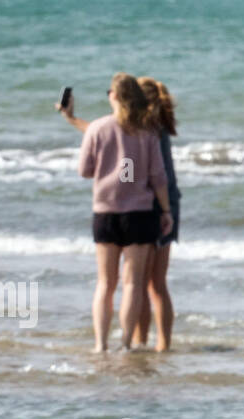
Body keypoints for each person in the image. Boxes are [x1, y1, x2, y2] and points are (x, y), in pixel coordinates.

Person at [57, 74, 172, 351]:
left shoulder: (98, 128)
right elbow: (158, 177)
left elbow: (84, 170)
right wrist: (166, 211)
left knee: (105, 283)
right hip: (140, 214)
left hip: (105, 212)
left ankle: (100, 344)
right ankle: (125, 343)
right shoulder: (146, 132)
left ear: (115, 96)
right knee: (132, 284)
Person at [128, 77, 180, 352]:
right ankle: (156, 343)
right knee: (153, 282)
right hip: (166, 204)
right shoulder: (158, 126)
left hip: (158, 207)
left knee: (147, 283)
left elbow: (104, 132)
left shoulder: (145, 129)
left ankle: (152, 342)